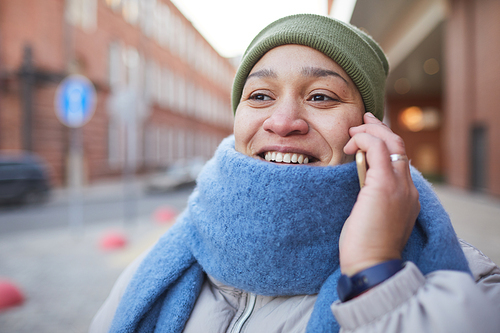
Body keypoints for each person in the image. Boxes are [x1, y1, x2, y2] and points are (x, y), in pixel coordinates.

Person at [90, 14, 500, 333]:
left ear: (370, 128)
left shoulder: (467, 283)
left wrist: (377, 271)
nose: (283, 121)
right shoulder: (162, 264)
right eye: (261, 96)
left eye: (321, 96)